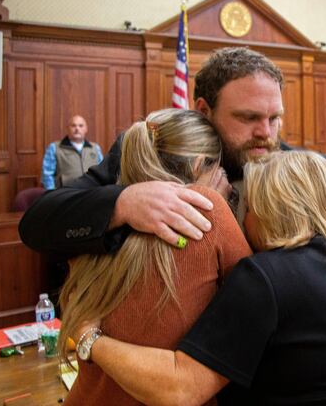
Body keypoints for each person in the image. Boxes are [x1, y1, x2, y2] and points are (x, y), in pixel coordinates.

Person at [18, 47, 326, 305]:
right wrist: (124, 203)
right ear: (203, 110)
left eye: (274, 117)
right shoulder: (151, 154)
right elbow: (37, 223)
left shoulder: (319, 174)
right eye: (248, 118)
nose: (266, 132)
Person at [70, 151, 326, 405]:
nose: (242, 219)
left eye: (247, 207)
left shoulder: (266, 277)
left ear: (271, 212)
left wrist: (90, 339)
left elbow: (180, 389)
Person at [58, 109, 251, 405]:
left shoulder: (104, 213)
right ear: (200, 164)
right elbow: (255, 298)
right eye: (220, 170)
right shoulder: (208, 207)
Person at [41, 115, 103, 190]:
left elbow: (101, 172)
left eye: (81, 126)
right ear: (67, 128)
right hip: (66, 194)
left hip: (92, 193)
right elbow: (47, 174)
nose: (77, 129)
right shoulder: (54, 147)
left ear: (86, 129)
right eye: (73, 126)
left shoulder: (95, 148)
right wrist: (52, 194)